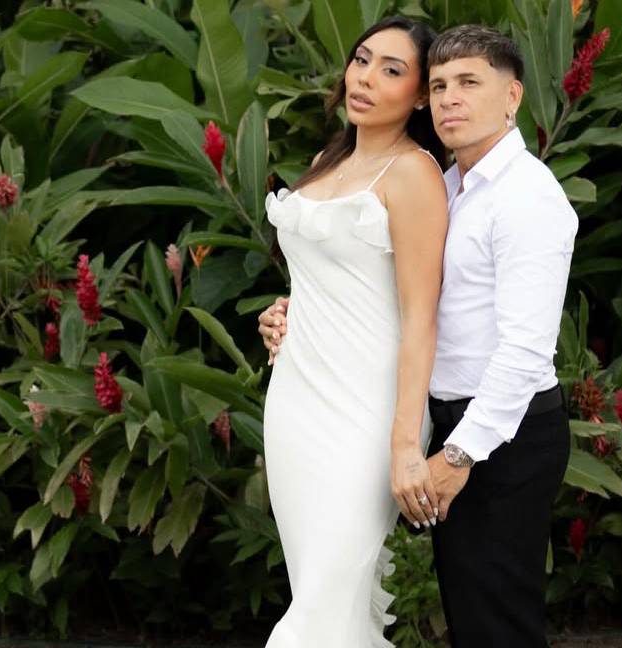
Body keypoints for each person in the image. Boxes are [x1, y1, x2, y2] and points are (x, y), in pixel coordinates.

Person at [260, 25, 579, 648]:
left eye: (469, 83)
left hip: (503, 430)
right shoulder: (455, 183)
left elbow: (523, 353)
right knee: (472, 623)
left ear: (512, 96)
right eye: (440, 85)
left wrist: (458, 455)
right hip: (434, 415)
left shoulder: (527, 197)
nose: (450, 98)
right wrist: (295, 310)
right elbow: (389, 287)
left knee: (498, 625)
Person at [259, 16, 449, 648]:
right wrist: (282, 312)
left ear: (420, 95)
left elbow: (421, 318)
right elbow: (331, 277)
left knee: (320, 605)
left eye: (391, 70)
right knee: (324, 598)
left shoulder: (414, 174)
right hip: (296, 401)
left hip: (367, 414)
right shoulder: (326, 162)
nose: (365, 78)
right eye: (362, 60)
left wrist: (405, 442)